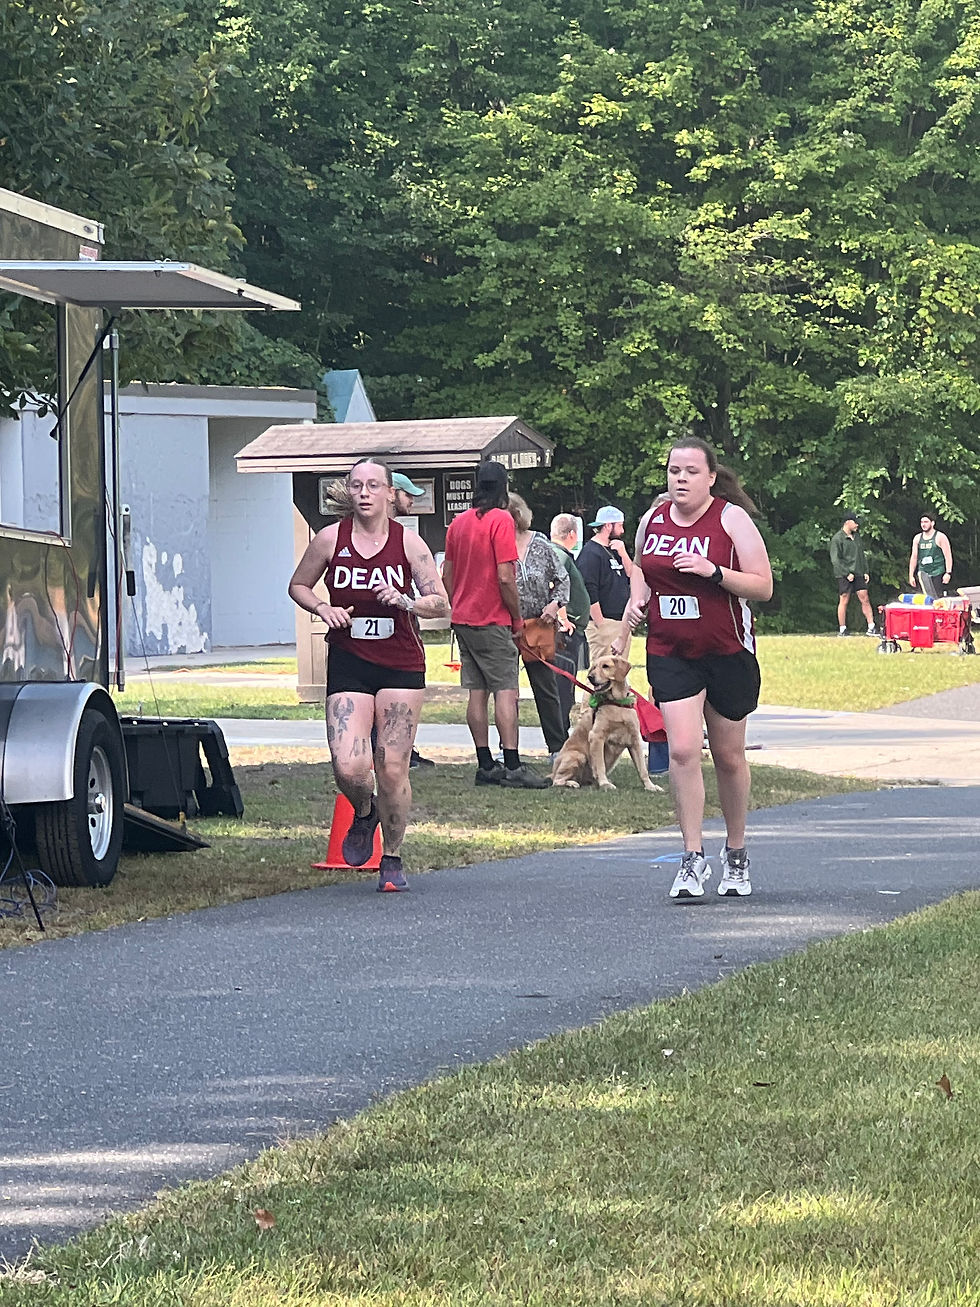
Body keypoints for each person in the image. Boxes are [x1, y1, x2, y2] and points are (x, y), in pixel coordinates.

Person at [616, 436, 773, 900]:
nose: (680, 479)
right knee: (683, 750)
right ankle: (691, 857)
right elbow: (644, 571)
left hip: (726, 651)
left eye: (689, 472)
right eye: (673, 471)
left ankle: (737, 852)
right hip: (671, 651)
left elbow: (762, 585)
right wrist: (638, 602)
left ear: (709, 477)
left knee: (727, 756)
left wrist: (713, 572)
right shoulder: (653, 519)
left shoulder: (730, 518)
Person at [288, 457, 449, 892]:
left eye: (373, 485)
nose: (364, 492)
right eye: (357, 484)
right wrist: (323, 608)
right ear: (348, 490)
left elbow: (440, 602)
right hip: (349, 659)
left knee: (391, 765)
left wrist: (406, 602)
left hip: (400, 662)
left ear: (388, 494)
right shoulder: (329, 539)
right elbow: (298, 585)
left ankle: (392, 857)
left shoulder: (409, 545)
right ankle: (364, 812)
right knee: (349, 767)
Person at [442, 461, 551, 789]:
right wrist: (516, 618)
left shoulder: (458, 522)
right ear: (504, 487)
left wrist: (458, 600)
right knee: (506, 689)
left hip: (463, 618)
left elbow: (447, 574)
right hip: (493, 619)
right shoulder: (501, 520)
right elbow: (505, 577)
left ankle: (485, 763)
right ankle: (514, 764)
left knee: (477, 691)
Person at [508, 493, 569, 761]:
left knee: (545, 687)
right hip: (507, 625)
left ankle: (557, 746)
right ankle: (509, 750)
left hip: (538, 624)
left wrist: (554, 606)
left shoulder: (540, 544)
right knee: (507, 691)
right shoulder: (495, 546)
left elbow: (562, 579)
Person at [390, 472, 435, 768]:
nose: (411, 502)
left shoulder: (405, 538)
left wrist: (412, 603)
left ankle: (406, 750)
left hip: (405, 624)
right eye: (408, 496)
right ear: (392, 495)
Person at [549, 513, 590, 734]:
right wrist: (563, 618)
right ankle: (560, 735)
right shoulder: (560, 556)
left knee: (565, 685)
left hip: (569, 630)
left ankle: (561, 732)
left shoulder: (556, 554)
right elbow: (554, 586)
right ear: (572, 534)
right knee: (563, 687)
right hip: (565, 632)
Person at [577, 505, 631, 662]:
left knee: (618, 675)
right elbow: (589, 590)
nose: (622, 531)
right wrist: (601, 624)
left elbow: (632, 576)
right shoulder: (590, 553)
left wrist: (623, 553)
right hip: (604, 621)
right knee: (602, 674)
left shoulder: (615, 549)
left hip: (621, 622)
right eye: (619, 526)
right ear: (608, 526)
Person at [830, 514, 876, 636]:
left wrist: (865, 571)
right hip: (844, 574)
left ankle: (871, 627)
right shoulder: (837, 539)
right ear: (847, 522)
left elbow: (862, 555)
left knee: (865, 598)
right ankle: (842, 628)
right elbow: (835, 560)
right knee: (844, 599)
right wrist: (846, 573)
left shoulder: (857, 537)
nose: (857, 525)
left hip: (859, 572)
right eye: (855, 522)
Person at [908, 513, 953, 598]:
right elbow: (914, 557)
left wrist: (948, 573)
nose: (923, 524)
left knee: (936, 599)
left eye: (926, 522)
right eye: (922, 522)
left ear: (932, 523)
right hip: (923, 573)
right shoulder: (917, 538)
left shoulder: (940, 537)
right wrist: (911, 575)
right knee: (923, 599)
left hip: (937, 572)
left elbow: (948, 556)